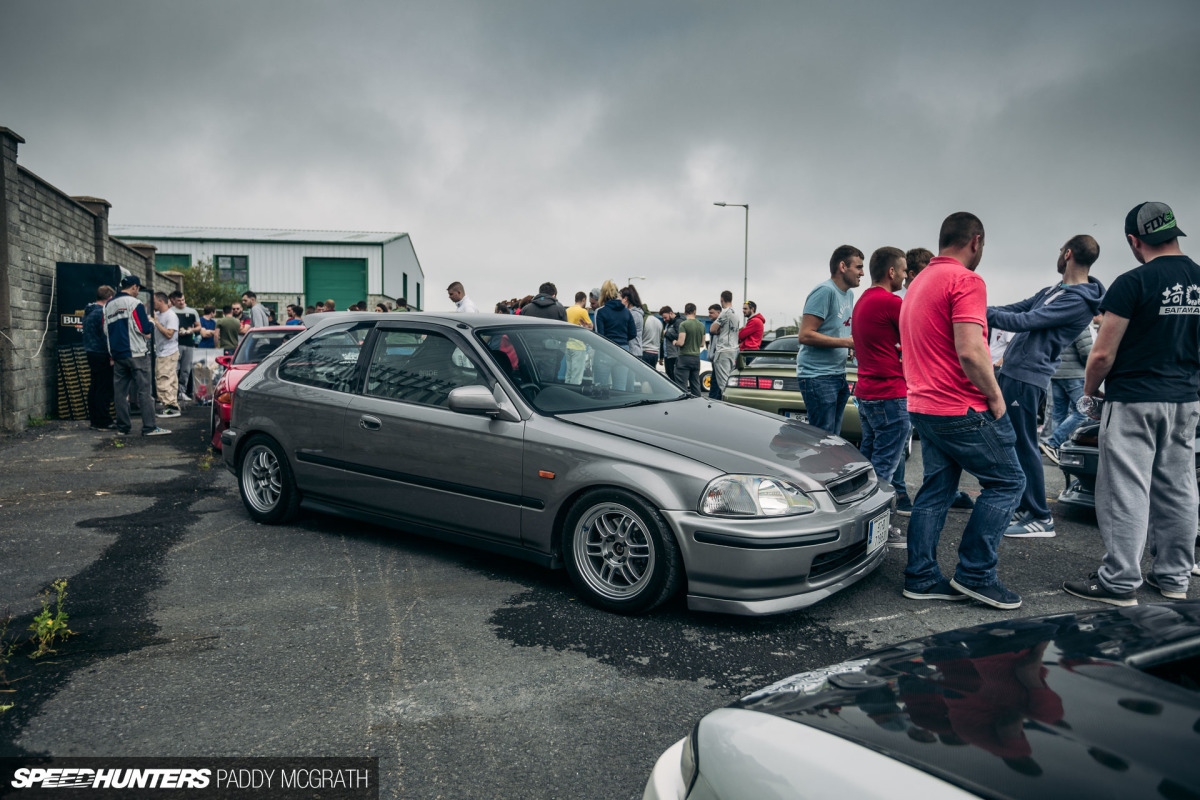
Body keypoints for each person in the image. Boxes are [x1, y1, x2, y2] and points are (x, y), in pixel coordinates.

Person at [1065, 202, 1200, 606]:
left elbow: (1102, 353)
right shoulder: (1198, 279)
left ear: (1133, 240)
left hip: (1135, 399)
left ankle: (1120, 581)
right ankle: (1174, 577)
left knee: (1126, 488)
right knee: (1179, 487)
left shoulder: (1132, 282)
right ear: (1175, 233)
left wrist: (1089, 394)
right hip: (1185, 400)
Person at [898, 211, 1025, 609]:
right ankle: (975, 573)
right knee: (1007, 482)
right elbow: (970, 350)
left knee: (936, 489)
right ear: (975, 241)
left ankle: (920, 576)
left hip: (922, 404)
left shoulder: (918, 284)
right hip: (960, 406)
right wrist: (996, 397)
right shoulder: (965, 280)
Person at [988, 235, 1104, 539]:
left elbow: (1026, 320)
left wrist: (969, 310)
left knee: (1024, 445)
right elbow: (1015, 307)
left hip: (1028, 376)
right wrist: (978, 306)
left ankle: (1040, 516)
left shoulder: (1077, 300)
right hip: (1015, 372)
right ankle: (1024, 507)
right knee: (1013, 442)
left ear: (1067, 254)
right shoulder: (1054, 290)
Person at [852, 247, 912, 527]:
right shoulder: (891, 303)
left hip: (867, 393)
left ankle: (857, 523)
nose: (904, 275)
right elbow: (919, 335)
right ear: (891, 272)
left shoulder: (863, 299)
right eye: (902, 271)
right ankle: (879, 529)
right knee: (884, 472)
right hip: (889, 395)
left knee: (869, 469)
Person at [796, 245, 863, 435]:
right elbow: (805, 335)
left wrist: (851, 346)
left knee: (833, 440)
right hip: (817, 377)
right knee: (822, 441)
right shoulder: (825, 291)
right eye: (858, 267)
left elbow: (839, 330)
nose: (862, 273)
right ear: (843, 266)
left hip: (837, 374)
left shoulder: (849, 294)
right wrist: (847, 343)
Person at [104, 276, 168, 436]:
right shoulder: (135, 304)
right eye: (138, 288)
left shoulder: (108, 305)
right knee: (144, 392)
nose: (138, 292)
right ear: (134, 287)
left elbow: (106, 330)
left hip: (118, 354)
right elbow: (144, 329)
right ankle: (149, 427)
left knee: (120, 393)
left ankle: (123, 428)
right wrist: (152, 322)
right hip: (137, 353)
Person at [1040, 324, 1094, 462]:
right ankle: (1053, 443)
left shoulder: (1058, 319)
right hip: (1075, 374)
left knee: (1059, 413)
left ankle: (1057, 450)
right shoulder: (1081, 320)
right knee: (1083, 412)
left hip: (1056, 372)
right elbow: (1087, 352)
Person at [83, 285, 116, 430]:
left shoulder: (88, 312)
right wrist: (111, 355)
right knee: (104, 387)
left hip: (90, 352)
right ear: (109, 298)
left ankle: (95, 420)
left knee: (95, 386)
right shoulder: (102, 313)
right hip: (102, 353)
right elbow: (105, 336)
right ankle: (103, 421)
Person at [707, 290, 741, 400]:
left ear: (721, 299)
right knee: (729, 379)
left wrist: (718, 330)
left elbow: (712, 329)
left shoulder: (725, 312)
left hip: (723, 351)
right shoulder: (736, 314)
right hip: (733, 350)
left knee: (723, 384)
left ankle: (727, 404)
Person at [151, 292, 181, 418]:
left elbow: (169, 334)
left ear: (161, 301)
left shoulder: (171, 315)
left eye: (154, 301)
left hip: (168, 351)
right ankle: (172, 405)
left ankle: (171, 407)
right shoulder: (157, 314)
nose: (152, 304)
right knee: (170, 379)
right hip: (162, 351)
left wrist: (157, 323)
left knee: (164, 379)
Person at [169, 290, 200, 402]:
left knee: (186, 369)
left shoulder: (192, 311)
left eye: (183, 300)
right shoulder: (171, 311)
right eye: (179, 300)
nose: (181, 302)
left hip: (188, 343)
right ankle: (172, 392)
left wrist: (191, 330)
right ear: (174, 301)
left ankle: (182, 392)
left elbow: (198, 326)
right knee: (174, 369)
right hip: (174, 344)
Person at [674, 303, 705, 397]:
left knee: (681, 386)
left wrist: (675, 342)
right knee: (695, 385)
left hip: (684, 358)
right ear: (695, 311)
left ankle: (683, 407)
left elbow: (681, 342)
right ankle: (698, 405)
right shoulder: (701, 325)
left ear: (685, 312)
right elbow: (702, 344)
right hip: (696, 358)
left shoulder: (683, 324)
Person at [565, 291, 593, 384]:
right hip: (578, 346)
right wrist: (586, 312)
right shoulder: (582, 311)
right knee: (576, 377)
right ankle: (573, 397)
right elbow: (590, 326)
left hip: (568, 345)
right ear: (584, 299)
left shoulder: (567, 310)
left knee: (568, 375)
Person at [620, 285, 645, 361]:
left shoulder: (633, 314)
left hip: (633, 353)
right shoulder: (636, 313)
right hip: (635, 351)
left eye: (620, 299)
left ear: (625, 299)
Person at [660, 306, 681, 383]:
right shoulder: (667, 324)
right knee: (670, 378)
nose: (664, 320)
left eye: (665, 317)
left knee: (675, 379)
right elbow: (663, 341)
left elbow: (680, 337)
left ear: (671, 313)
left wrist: (667, 333)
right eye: (663, 318)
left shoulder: (678, 322)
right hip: (667, 356)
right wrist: (661, 356)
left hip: (674, 355)